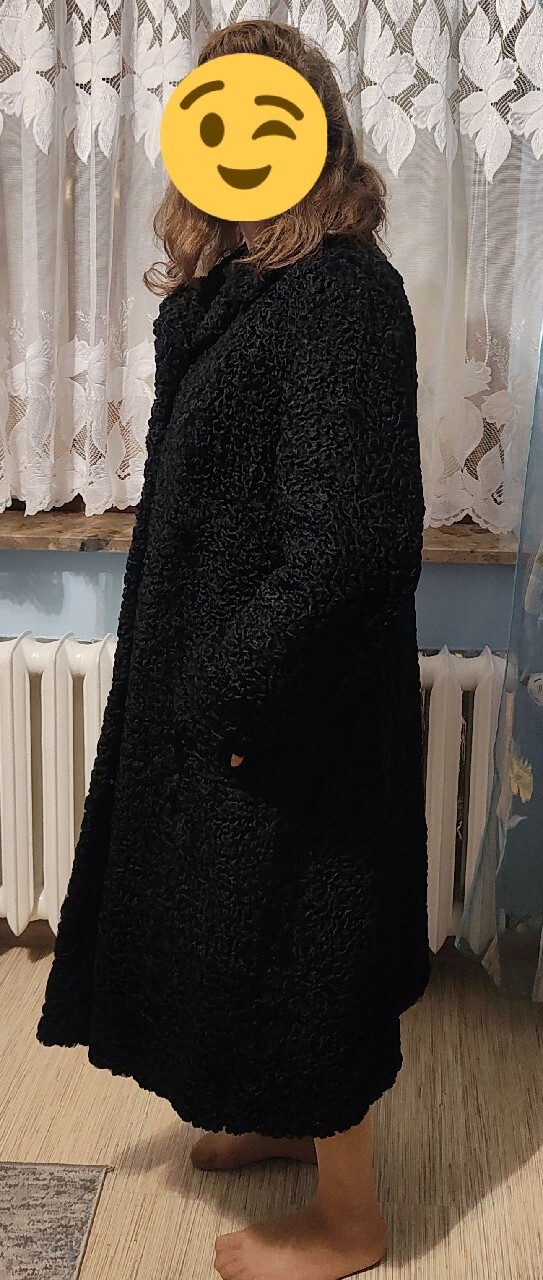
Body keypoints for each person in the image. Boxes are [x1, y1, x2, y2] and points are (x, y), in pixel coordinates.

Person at [36, 18, 431, 1280]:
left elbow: (352, 546)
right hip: (229, 684)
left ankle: (352, 1217)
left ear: (318, 138)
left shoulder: (342, 298)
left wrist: (230, 691)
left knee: (314, 938)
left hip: (295, 697)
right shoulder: (230, 291)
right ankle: (275, 1110)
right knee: (243, 932)